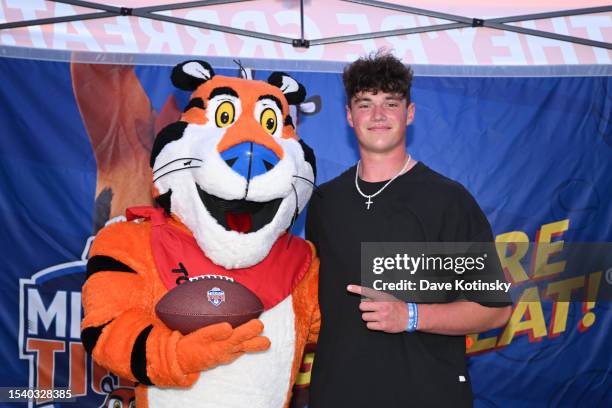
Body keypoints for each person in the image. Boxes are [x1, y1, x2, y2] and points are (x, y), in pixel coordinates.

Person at [305, 50, 512, 407]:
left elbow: (495, 309)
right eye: (365, 104)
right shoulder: (325, 201)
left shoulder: (448, 200)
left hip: (426, 392)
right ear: (349, 116)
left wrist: (412, 315)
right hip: (338, 392)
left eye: (391, 103)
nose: (378, 115)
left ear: (409, 113)